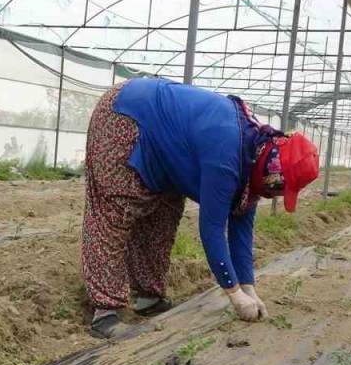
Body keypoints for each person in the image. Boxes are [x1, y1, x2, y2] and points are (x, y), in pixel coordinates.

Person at [81, 77, 319, 338]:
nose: (273, 196)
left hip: (168, 150)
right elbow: (212, 229)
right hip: (127, 115)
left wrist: (249, 289)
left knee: (163, 217)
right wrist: (234, 293)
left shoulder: (254, 155)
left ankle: (148, 297)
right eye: (278, 190)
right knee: (115, 212)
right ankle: (104, 313)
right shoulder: (228, 152)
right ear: (273, 171)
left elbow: (241, 230)